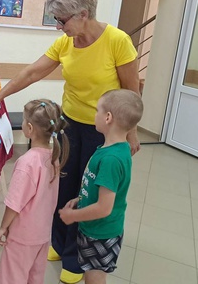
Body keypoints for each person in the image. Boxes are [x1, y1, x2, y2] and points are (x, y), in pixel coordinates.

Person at [0, 0, 140, 283]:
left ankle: (75, 260)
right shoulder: (66, 43)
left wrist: (131, 132)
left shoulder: (117, 41)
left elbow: (131, 92)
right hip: (68, 125)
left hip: (102, 130)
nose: (59, 27)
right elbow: (32, 72)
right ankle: (59, 243)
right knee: (62, 186)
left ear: (83, 14)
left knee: (86, 193)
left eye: (62, 20)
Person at [59, 89, 143, 284]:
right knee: (91, 273)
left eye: (97, 110)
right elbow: (100, 189)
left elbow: (104, 208)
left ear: (108, 118)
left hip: (100, 233)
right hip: (94, 228)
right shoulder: (115, 148)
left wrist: (73, 216)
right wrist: (81, 199)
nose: (94, 115)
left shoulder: (110, 160)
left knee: (94, 278)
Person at [0, 99, 69, 284]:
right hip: (42, 233)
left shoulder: (27, 163)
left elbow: (14, 203)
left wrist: (3, 226)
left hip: (22, 236)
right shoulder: (53, 158)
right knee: (35, 277)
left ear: (29, 128)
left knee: (12, 278)